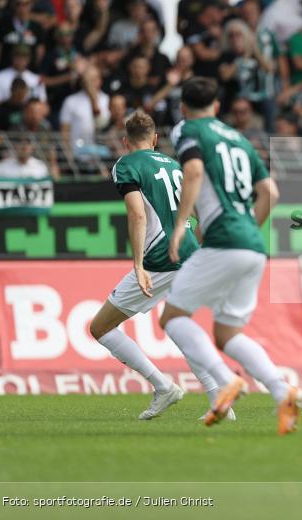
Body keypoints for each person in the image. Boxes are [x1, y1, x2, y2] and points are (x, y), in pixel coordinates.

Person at [160, 77, 302, 434]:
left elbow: (192, 169)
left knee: (173, 317)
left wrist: (181, 224)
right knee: (227, 333)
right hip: (253, 246)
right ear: (218, 107)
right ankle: (281, 389)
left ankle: (225, 380)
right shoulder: (240, 138)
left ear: (182, 107)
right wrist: (250, 231)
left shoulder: (187, 129)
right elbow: (271, 192)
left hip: (223, 240)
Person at [88, 111, 207, 420]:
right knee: (177, 324)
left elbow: (137, 215)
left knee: (100, 327)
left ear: (126, 141)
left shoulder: (126, 165)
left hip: (157, 257)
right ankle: (220, 397)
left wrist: (138, 265)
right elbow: (197, 211)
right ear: (155, 139)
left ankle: (163, 386)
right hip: (189, 252)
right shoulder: (174, 165)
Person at [0, 45, 47, 111]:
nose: (21, 59)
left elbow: (43, 107)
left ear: (29, 58)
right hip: (5, 117)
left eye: (24, 56)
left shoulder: (36, 79)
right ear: (12, 57)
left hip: (28, 118)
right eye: (18, 56)